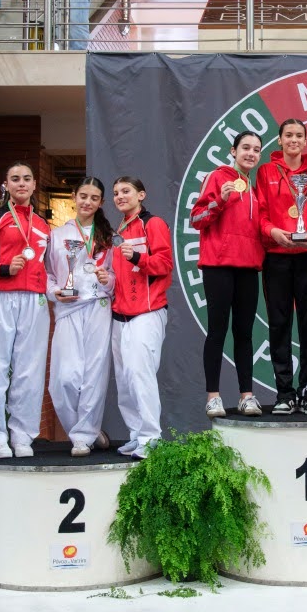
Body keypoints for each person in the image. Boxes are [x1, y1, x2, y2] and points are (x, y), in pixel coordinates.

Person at [0, 162, 50, 458]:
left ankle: (23, 435)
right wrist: (3, 268)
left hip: (35, 300)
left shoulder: (43, 224)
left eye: (27, 179)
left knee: (30, 370)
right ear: (7, 184)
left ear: (34, 184)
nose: (21, 184)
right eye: (15, 179)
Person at [191, 131, 266, 418]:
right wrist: (219, 201)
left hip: (248, 267)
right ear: (233, 151)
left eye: (256, 149)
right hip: (219, 265)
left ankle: (247, 396)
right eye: (245, 147)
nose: (250, 153)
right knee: (217, 331)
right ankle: (213, 397)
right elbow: (196, 219)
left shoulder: (254, 188)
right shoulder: (217, 177)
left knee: (244, 333)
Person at [255, 119, 307, 414]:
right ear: (280, 140)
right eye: (288, 135)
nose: (293, 140)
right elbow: (260, 212)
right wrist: (272, 231)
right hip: (276, 254)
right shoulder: (266, 171)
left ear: (306, 141)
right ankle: (284, 393)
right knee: (279, 323)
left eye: (299, 135)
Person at [45, 177, 116, 457]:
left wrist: (108, 279)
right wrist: (54, 292)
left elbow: (117, 276)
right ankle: (86, 428)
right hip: (68, 308)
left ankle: (83, 437)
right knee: (63, 379)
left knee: (93, 375)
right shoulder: (57, 235)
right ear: (74, 196)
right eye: (83, 196)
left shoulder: (108, 237)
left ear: (101, 203)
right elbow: (48, 274)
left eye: (94, 198)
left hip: (99, 306)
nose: (87, 202)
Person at [109, 176, 173, 456]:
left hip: (147, 312)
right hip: (120, 315)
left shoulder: (153, 224)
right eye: (116, 193)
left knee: (140, 375)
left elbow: (164, 264)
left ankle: (151, 437)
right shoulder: (119, 228)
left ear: (141, 195)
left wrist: (136, 257)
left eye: (126, 191)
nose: (120, 196)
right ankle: (136, 434)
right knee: (125, 381)